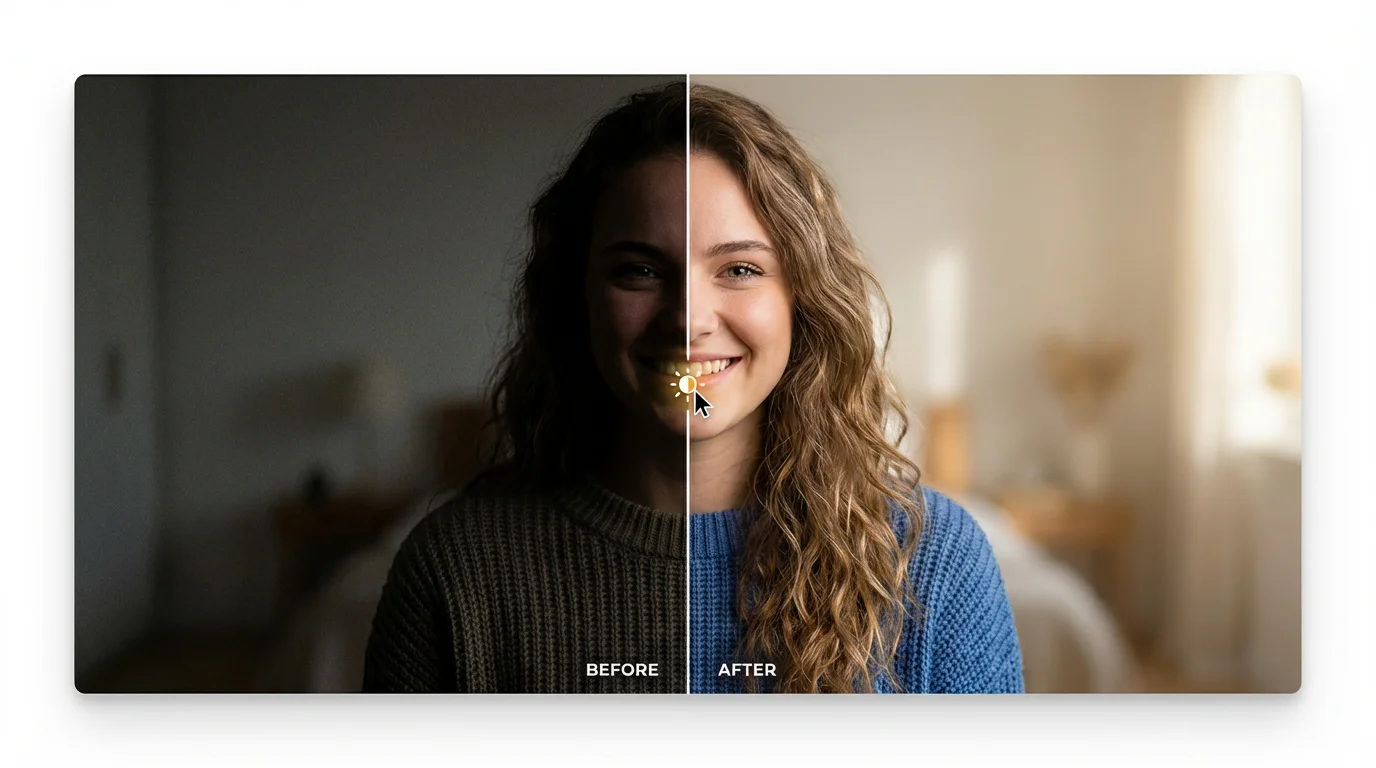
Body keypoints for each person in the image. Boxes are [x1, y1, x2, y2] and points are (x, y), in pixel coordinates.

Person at [363, 81, 1024, 694]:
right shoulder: (454, 570)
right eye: (639, 271)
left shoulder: (936, 566)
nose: (689, 320)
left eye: (738, 268)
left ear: (802, 299)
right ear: (577, 299)